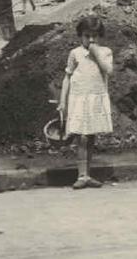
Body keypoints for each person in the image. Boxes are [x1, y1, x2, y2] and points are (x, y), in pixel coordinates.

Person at [58, 15, 114, 190]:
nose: (91, 40)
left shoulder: (105, 52)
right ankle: (82, 175)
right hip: (79, 98)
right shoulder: (75, 53)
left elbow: (108, 70)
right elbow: (67, 77)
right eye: (86, 36)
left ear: (100, 36)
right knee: (82, 137)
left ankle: (87, 174)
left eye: (95, 36)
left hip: (95, 98)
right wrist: (62, 101)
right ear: (80, 36)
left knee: (90, 137)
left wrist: (96, 52)